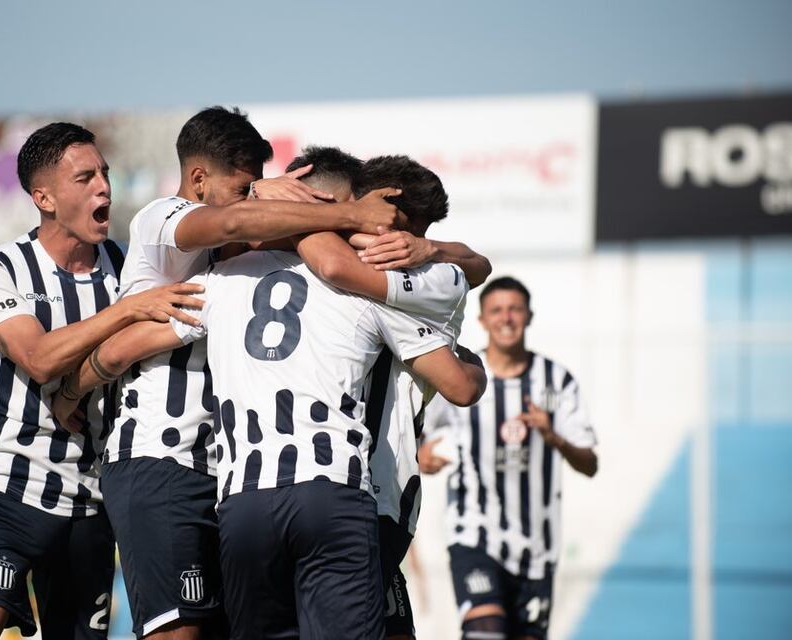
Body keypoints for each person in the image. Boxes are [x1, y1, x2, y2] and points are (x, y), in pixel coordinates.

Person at [54, 222, 486, 640]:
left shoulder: (226, 280)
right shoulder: (370, 284)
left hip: (248, 500)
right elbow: (462, 378)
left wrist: (71, 391)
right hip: (349, 495)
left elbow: (120, 350)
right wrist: (472, 359)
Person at [72, 106, 405, 640]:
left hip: (224, 475)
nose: (254, 202)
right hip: (159, 459)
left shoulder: (231, 269)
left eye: (257, 189)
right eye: (243, 188)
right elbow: (229, 224)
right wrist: (349, 214)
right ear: (199, 179)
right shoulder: (161, 219)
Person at [0, 122, 205, 640]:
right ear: (43, 197)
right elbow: (39, 359)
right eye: (85, 178)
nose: (104, 188)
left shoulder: (129, 268)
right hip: (10, 486)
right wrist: (127, 310)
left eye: (105, 174)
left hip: (93, 502)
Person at [286, 151, 490, 640]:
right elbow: (463, 379)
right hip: (355, 495)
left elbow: (474, 265)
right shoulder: (409, 274)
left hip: (354, 492)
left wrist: (277, 206)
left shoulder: (395, 273)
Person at [419, 276, 599, 640]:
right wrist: (424, 456)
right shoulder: (462, 376)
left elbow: (589, 464)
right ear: (482, 320)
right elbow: (417, 436)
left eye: (515, 309)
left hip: (538, 548)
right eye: (497, 311)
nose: (507, 318)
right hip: (474, 533)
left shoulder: (556, 381)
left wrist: (553, 436)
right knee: (485, 631)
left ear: (529, 316)